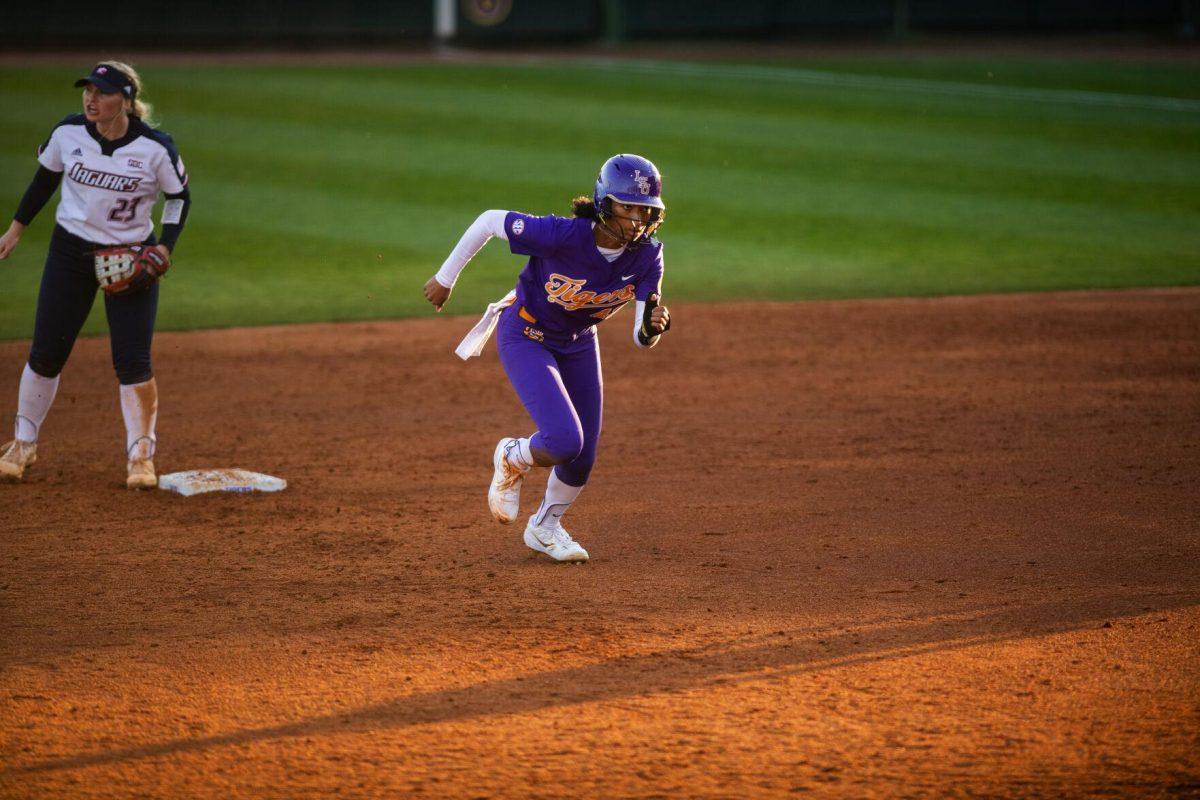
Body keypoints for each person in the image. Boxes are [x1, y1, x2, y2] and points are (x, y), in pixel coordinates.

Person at [423, 154, 672, 562]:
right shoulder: (562, 235)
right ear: (605, 203)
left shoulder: (647, 257)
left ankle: (545, 527)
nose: (637, 219)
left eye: (645, 211)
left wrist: (652, 328)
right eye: (628, 207)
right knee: (562, 440)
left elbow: (642, 338)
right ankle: (511, 456)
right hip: (526, 333)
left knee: (583, 455)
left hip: (578, 342)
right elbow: (489, 220)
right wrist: (445, 278)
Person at [0, 62, 191, 488]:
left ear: (125, 100)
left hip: (129, 256)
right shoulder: (68, 134)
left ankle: (141, 456)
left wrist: (164, 247)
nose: (91, 99)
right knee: (46, 352)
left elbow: (179, 198)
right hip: (69, 254)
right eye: (87, 90)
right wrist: (16, 229)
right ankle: (22, 442)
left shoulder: (156, 148)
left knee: (132, 360)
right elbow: (44, 180)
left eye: (102, 92)